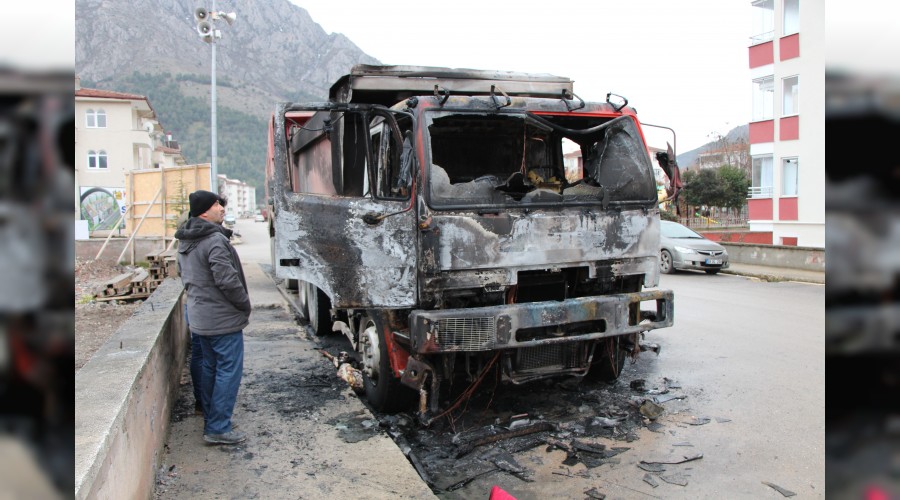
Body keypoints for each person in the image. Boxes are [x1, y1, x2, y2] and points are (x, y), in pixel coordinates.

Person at [175, 190, 250, 445]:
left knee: (209, 368)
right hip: (221, 319)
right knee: (228, 370)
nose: (222, 208)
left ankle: (211, 419)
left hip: (199, 317)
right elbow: (227, 280)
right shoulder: (214, 240)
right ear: (205, 211)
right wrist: (244, 304)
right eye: (218, 204)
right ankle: (218, 427)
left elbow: (183, 275)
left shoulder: (186, 239)